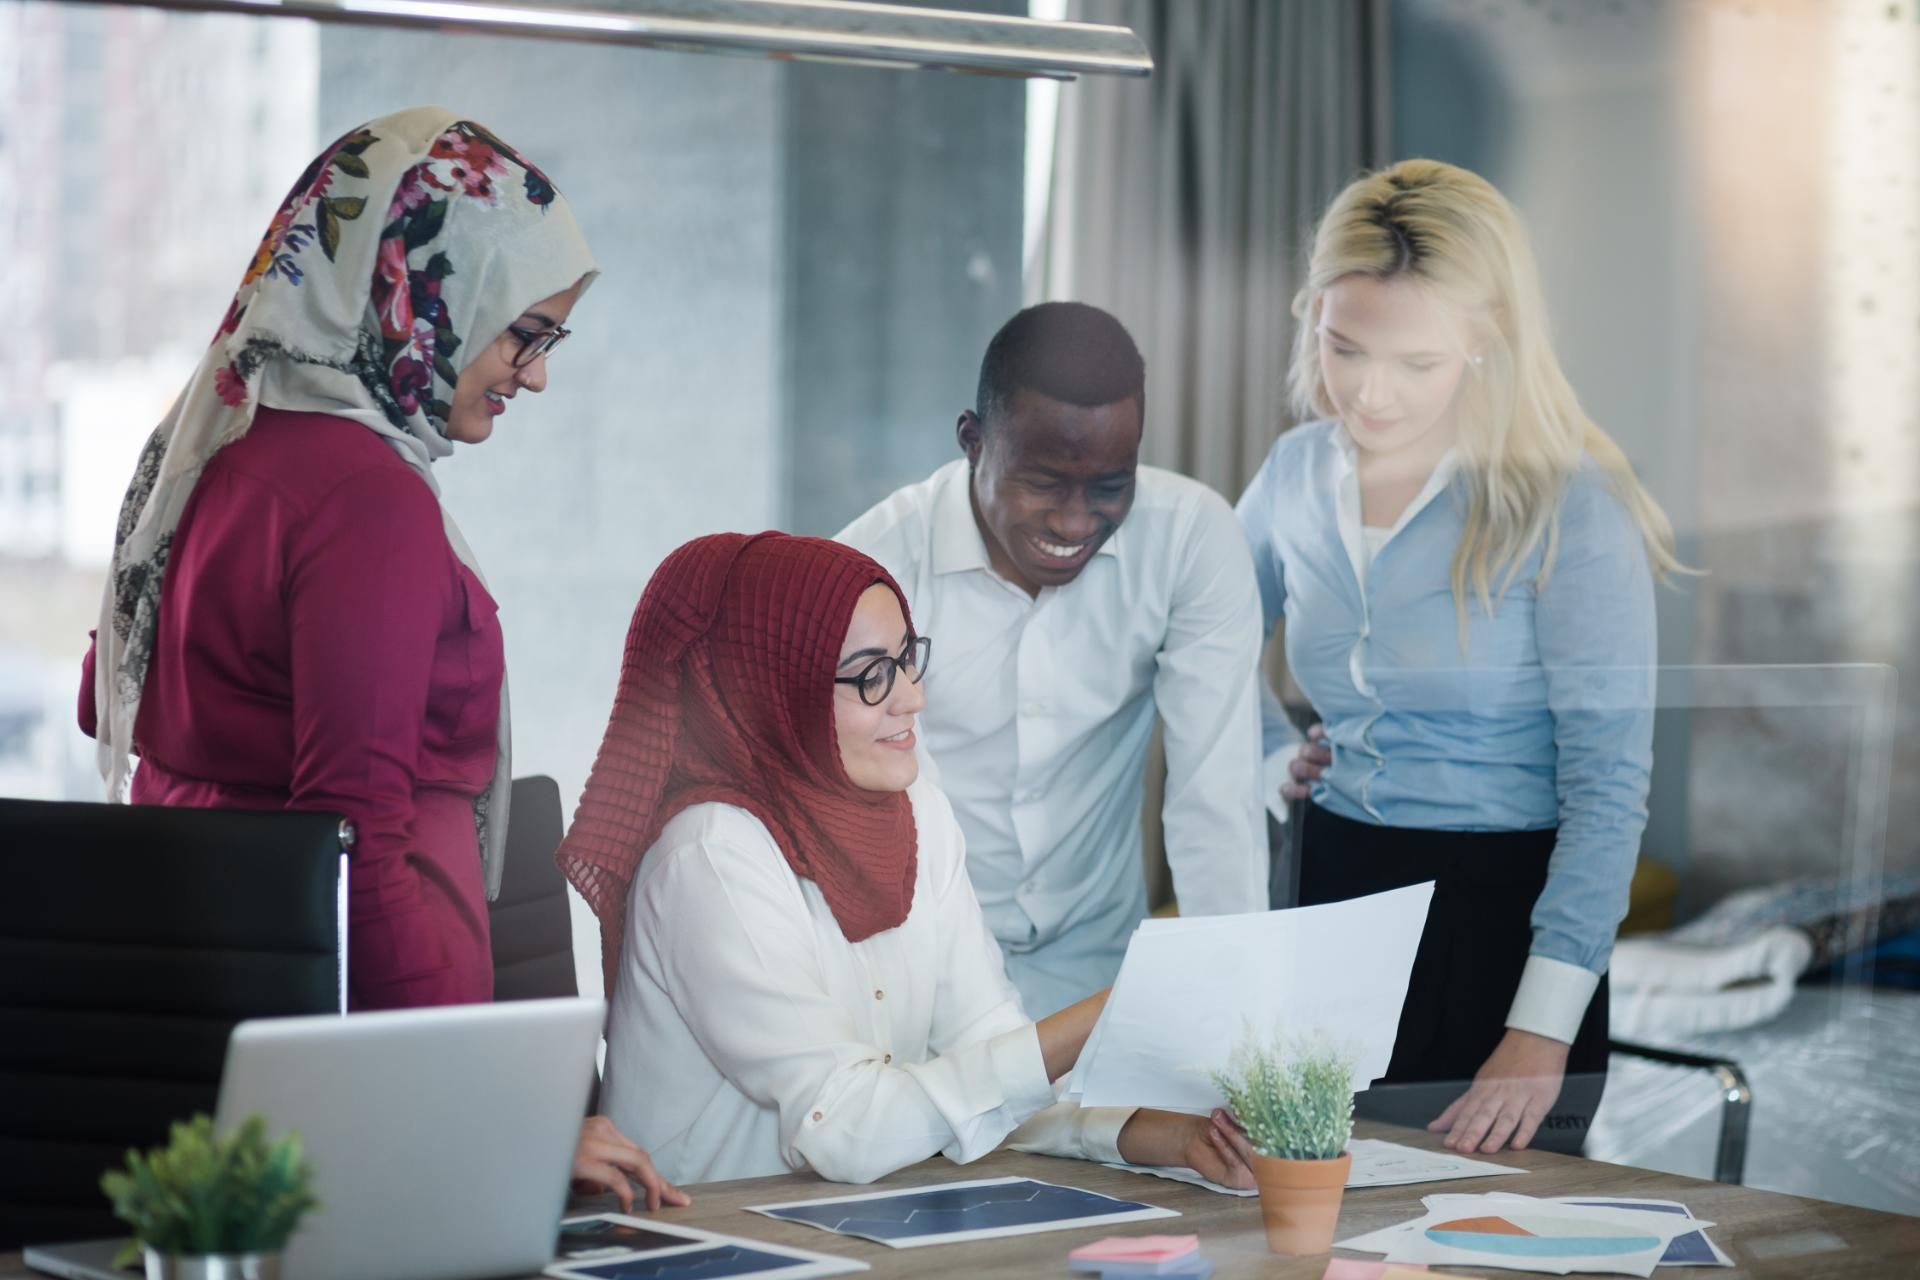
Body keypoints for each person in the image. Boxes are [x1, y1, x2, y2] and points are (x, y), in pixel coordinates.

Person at [77, 107, 680, 1212]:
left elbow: (118, 703)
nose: (534, 377)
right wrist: (499, 1114)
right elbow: (356, 840)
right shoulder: (368, 501)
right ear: (424, 296)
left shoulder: (226, 448)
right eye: (523, 334)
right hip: (371, 1073)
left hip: (239, 1013)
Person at [557, 532, 1256, 1187]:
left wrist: (1152, 1136)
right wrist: (1109, 1011)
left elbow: (983, 1057)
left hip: (853, 1224)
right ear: (773, 690)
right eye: (871, 676)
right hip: (719, 1242)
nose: (913, 698)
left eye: (908, 658)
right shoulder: (709, 856)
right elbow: (846, 1125)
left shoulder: (916, 808)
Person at [1234, 159, 1679, 1157]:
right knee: (1310, 1225)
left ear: (1485, 340)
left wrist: (1539, 1029)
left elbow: (1611, 790)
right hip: (1335, 887)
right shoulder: (1295, 474)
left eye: (1415, 363)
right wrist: (1271, 751)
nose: (1371, 392)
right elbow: (1205, 643)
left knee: (1475, 1240)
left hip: (1502, 916)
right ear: (1313, 314)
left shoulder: (1569, 503)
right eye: (1344, 348)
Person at [836, 303, 1267, 1019]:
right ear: (972, 441)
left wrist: (1240, 1021)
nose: (1074, 522)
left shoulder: (1191, 539)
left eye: (1109, 487)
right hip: (914, 969)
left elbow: (1215, 803)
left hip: (1098, 975)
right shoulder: (870, 566)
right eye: (1042, 483)